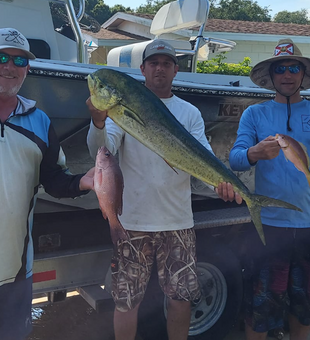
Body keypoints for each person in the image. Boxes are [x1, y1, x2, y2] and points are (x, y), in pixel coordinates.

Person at [87, 39, 241, 340]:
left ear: (175, 70)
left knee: (180, 298)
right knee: (126, 301)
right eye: (154, 63)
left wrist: (221, 185)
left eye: (166, 63)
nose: (160, 68)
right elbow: (103, 151)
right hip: (132, 223)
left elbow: (203, 160)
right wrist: (97, 121)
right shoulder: (123, 107)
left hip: (178, 223)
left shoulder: (190, 113)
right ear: (142, 69)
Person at [0, 27, 95, 340]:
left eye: (19, 61)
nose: (9, 66)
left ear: (28, 69)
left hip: (15, 274)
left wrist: (84, 181)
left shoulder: (39, 121)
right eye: (1, 57)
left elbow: (53, 180)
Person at [229, 38, 310, 340]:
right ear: (271, 76)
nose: (287, 74)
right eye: (280, 69)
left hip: (308, 227)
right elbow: (235, 160)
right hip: (268, 228)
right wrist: (253, 154)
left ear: (302, 74)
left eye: (293, 68)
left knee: (304, 308)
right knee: (260, 309)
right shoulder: (255, 114)